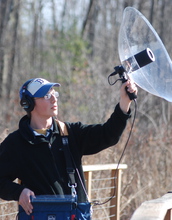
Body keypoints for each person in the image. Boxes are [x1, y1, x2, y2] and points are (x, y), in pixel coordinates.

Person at [0, 77, 137, 216]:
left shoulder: (70, 133)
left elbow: (108, 134)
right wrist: (19, 193)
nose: (54, 99)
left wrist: (124, 102)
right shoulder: (15, 143)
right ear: (27, 103)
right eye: (46, 96)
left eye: (54, 94)